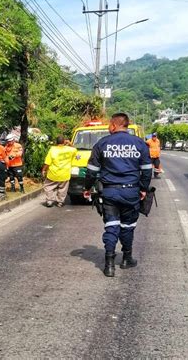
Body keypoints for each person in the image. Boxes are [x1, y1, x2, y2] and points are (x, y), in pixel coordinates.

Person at [83, 113, 152, 277]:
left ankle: (109, 265)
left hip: (110, 192)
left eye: (109, 124)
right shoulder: (139, 144)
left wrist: (87, 188)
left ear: (114, 125)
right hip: (131, 192)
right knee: (127, 226)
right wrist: (143, 188)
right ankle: (127, 258)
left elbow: (92, 171)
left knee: (111, 226)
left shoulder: (102, 143)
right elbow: (147, 170)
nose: (108, 127)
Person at [41, 136, 77, 208]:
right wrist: (70, 143)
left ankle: (49, 200)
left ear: (56, 142)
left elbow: (47, 162)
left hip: (53, 173)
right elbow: (75, 149)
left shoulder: (52, 150)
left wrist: (43, 170)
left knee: (48, 186)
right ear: (64, 142)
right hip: (65, 173)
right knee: (63, 188)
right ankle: (60, 202)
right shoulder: (70, 150)